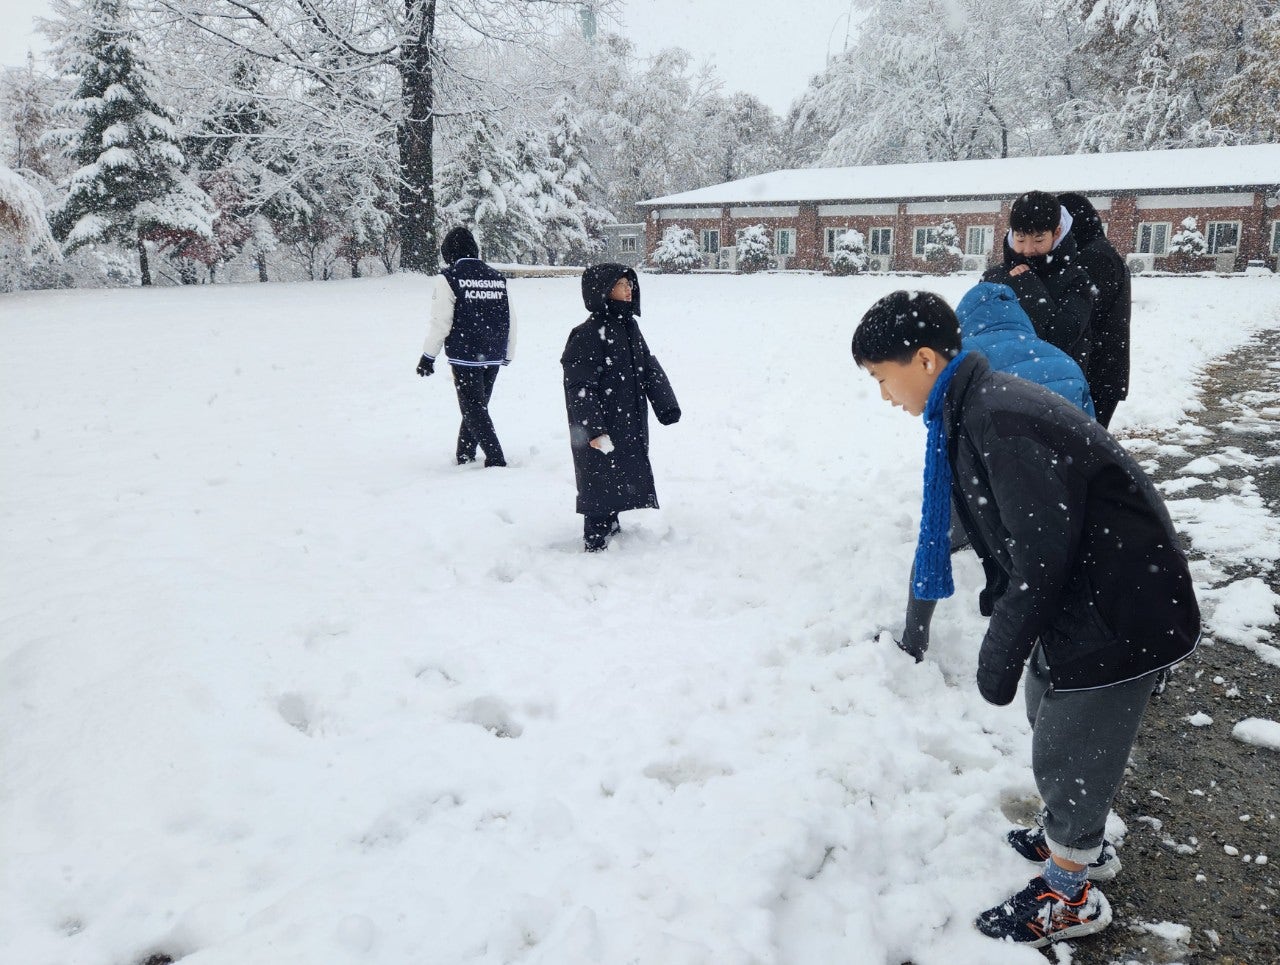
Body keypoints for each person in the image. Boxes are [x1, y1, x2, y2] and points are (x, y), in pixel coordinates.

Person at [852, 290, 1200, 949]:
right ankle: (1073, 834)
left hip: (1121, 609)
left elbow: (1041, 556)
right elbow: (1021, 535)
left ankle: (1072, 890)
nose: (883, 396)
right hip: (1097, 591)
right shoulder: (976, 407)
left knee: (1073, 742)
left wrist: (999, 651)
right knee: (1050, 707)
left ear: (924, 360)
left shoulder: (994, 419)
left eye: (881, 378)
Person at [896, 281, 1095, 661]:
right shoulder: (1062, 359)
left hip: (983, 479)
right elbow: (1090, 433)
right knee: (1049, 568)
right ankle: (1056, 655)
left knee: (935, 543)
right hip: (1057, 485)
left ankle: (913, 640)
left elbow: (944, 430)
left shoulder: (964, 362)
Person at [561, 264, 680, 552]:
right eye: (622, 284)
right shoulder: (588, 334)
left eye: (630, 284)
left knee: (621, 470)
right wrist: (592, 429)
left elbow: (648, 365)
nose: (629, 290)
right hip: (603, 422)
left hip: (627, 418)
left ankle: (611, 523)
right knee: (599, 477)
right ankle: (596, 538)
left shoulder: (629, 327)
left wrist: (666, 404)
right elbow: (580, 387)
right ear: (603, 290)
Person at [416, 226, 515, 467]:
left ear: (448, 253)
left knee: (473, 409)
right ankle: (465, 453)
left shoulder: (449, 278)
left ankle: (496, 459)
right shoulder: (496, 277)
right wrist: (507, 352)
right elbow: (510, 316)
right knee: (477, 407)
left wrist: (428, 356)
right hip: (493, 352)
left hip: (466, 353)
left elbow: (441, 321)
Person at [983, 190, 1094, 373]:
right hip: (1001, 386)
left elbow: (1062, 338)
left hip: (1055, 385)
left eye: (1038, 239)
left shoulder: (1077, 280)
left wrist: (1028, 287)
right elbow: (976, 331)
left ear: (1056, 232)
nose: (1028, 249)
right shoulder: (994, 276)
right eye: (1020, 238)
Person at [1059, 192, 1132, 428]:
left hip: (1096, 373)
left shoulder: (1094, 257)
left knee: (1085, 449)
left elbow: (1083, 315)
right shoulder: (1100, 250)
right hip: (1102, 372)